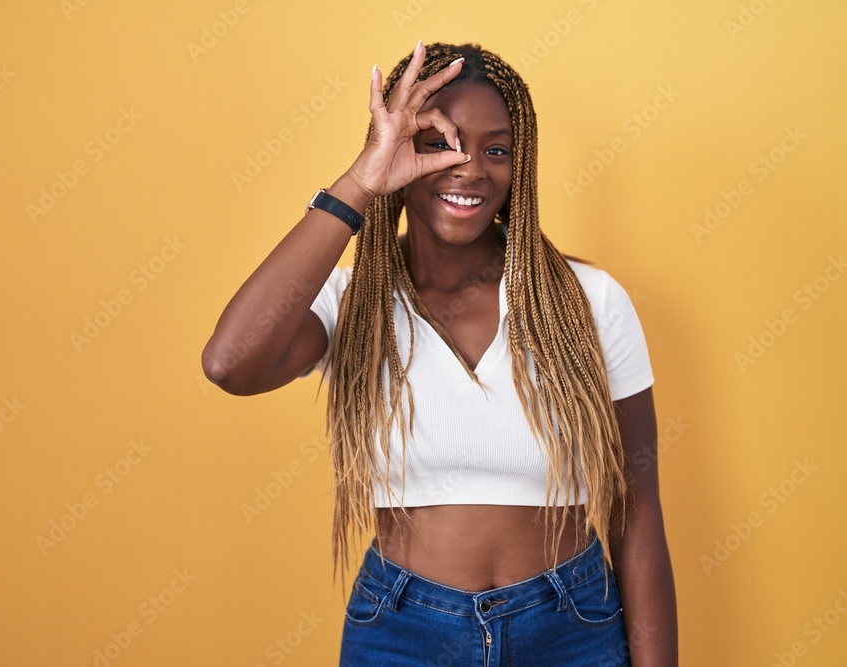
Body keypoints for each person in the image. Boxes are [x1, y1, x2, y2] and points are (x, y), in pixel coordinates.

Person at [202, 40, 677, 666]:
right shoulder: (353, 303)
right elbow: (230, 363)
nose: (471, 168)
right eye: (440, 143)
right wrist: (361, 181)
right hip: (403, 630)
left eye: (496, 149)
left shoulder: (589, 301)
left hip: (571, 628)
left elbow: (636, 511)